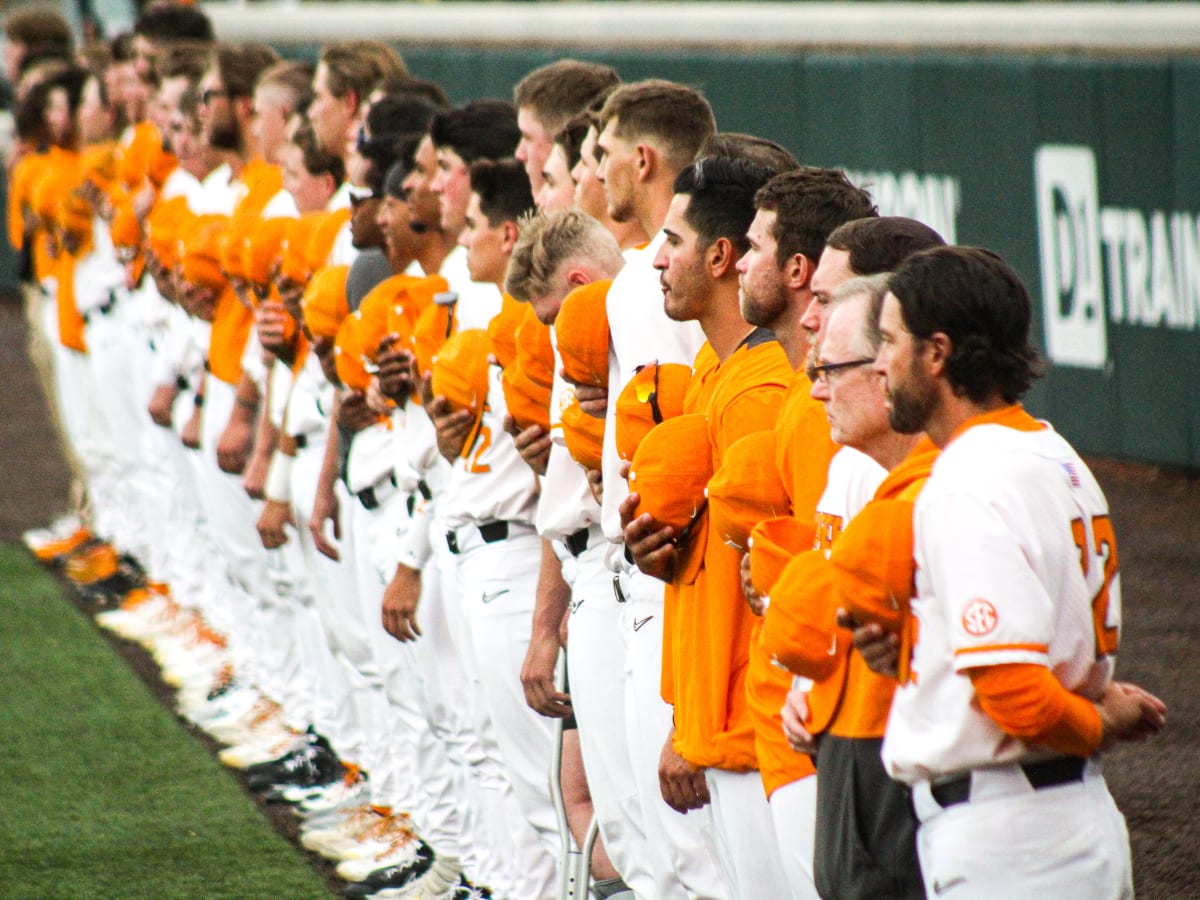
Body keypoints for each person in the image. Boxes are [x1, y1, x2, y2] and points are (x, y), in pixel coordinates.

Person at [870, 245, 1167, 898]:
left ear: (937, 353)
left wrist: (1101, 726)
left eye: (890, 341)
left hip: (1014, 842)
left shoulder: (971, 479)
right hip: (1052, 824)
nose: (878, 363)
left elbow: (1013, 692)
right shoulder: (1052, 453)